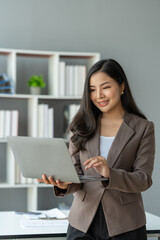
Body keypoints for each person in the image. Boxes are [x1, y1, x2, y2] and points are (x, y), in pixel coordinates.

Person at [37, 59, 155, 240]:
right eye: (92, 89)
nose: (98, 95)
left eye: (105, 87)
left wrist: (110, 173)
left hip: (126, 225)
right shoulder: (81, 125)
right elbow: (76, 175)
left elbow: (143, 179)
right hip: (82, 224)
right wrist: (64, 184)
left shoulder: (143, 128)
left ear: (122, 86)